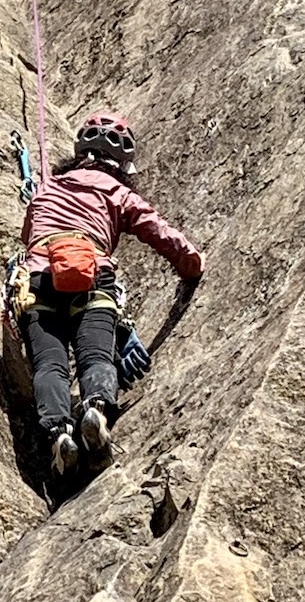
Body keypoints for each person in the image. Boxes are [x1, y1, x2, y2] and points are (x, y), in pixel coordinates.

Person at [17, 112, 204, 477]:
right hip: (93, 277)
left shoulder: (47, 188)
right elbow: (158, 231)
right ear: (121, 164)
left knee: (49, 364)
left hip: (39, 278)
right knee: (96, 355)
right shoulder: (119, 193)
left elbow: (29, 234)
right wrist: (191, 263)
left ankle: (59, 435)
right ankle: (96, 411)